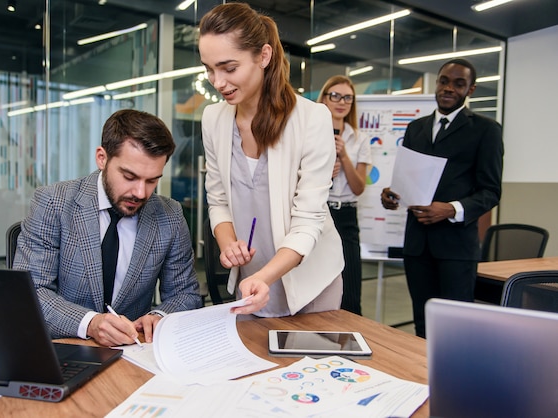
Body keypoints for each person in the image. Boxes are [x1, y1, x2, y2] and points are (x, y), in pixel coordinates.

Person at [198, 3, 344, 317]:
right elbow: (218, 198)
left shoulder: (311, 119)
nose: (217, 81)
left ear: (263, 56)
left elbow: (308, 220)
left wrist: (265, 277)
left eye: (229, 68)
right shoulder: (213, 118)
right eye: (209, 69)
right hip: (251, 282)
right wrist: (227, 243)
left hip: (309, 283)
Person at [13, 109, 202, 346]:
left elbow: (186, 294)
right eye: (129, 176)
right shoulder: (54, 202)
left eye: (152, 180)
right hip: (63, 348)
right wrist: (90, 323)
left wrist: (159, 316)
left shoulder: (170, 215)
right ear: (102, 158)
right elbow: (30, 293)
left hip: (133, 351)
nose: (140, 193)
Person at [380, 58, 504, 338]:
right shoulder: (416, 128)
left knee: (456, 328)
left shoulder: (486, 130)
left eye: (458, 84)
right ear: (437, 83)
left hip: (456, 248)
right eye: (444, 81)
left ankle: (456, 382)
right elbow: (409, 180)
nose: (449, 88)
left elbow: (491, 190)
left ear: (470, 90)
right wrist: (392, 195)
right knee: (422, 323)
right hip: (417, 245)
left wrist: (451, 209)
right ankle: (422, 380)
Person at [317, 75, 372, 315]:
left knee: (350, 290)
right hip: (319, 213)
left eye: (347, 97)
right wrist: (325, 174)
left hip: (347, 216)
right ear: (325, 99)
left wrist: (344, 155)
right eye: (335, 96)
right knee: (318, 286)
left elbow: (359, 186)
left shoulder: (360, 139)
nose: (341, 102)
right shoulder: (312, 134)